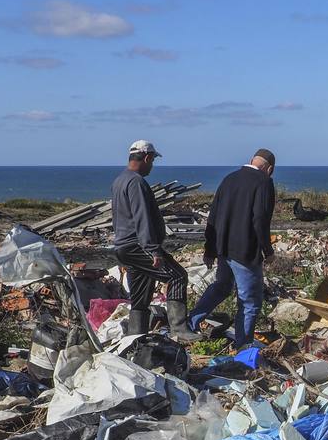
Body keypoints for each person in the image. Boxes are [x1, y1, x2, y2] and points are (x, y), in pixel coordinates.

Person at [111, 139, 200, 341]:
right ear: (147, 157)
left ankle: (136, 337)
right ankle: (180, 330)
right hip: (137, 245)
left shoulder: (119, 180)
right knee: (177, 276)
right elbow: (141, 216)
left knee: (141, 294)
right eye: (152, 161)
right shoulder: (136, 182)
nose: (151, 166)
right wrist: (153, 249)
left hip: (123, 246)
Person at [188, 149, 277, 348]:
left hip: (223, 248)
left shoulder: (229, 179)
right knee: (250, 301)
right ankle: (242, 345)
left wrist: (210, 249)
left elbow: (213, 216)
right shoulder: (264, 183)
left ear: (251, 161)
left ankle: (190, 322)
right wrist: (267, 250)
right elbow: (260, 219)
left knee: (221, 287)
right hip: (245, 251)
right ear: (269, 169)